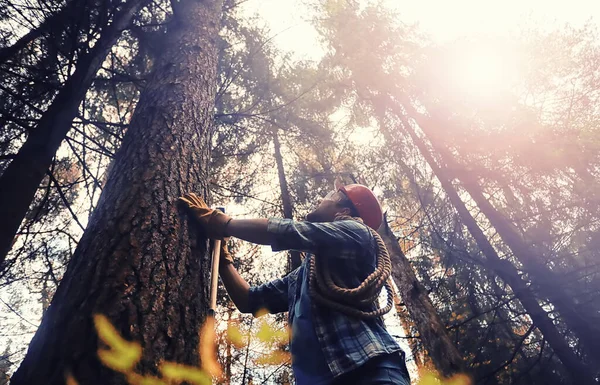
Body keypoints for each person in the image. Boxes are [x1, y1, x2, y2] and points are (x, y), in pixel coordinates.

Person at [179, 183, 410, 385]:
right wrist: (223, 259)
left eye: (329, 195)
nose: (321, 199)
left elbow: (291, 232)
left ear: (344, 210)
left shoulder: (358, 233)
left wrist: (221, 223)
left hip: (370, 371)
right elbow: (250, 300)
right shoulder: (304, 277)